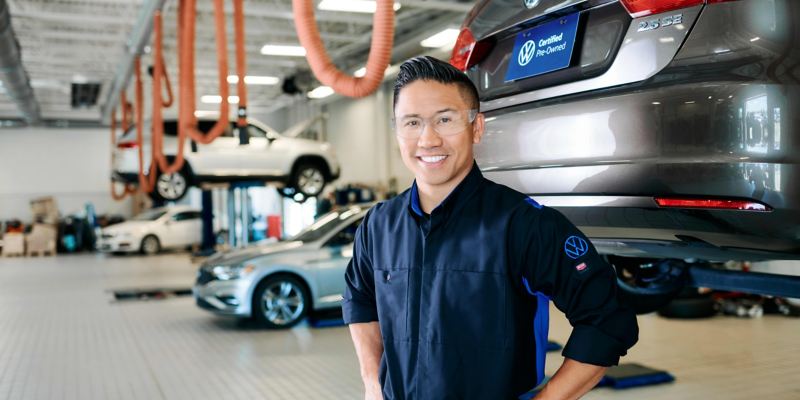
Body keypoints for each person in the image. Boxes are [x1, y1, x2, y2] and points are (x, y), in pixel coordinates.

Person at [342, 56, 638, 400]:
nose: (428, 139)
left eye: (445, 119)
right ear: (397, 131)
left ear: (477, 127)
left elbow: (606, 320)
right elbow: (360, 297)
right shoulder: (379, 225)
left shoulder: (524, 224)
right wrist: (373, 384)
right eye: (411, 123)